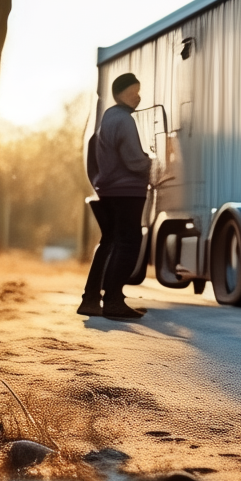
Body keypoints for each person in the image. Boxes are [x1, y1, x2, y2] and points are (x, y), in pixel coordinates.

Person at [79, 73, 152, 319]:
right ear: (120, 93)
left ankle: (90, 299)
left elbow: (91, 154)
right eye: (134, 92)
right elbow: (134, 160)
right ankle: (113, 300)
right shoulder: (124, 120)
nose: (138, 97)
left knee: (110, 241)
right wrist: (153, 162)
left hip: (109, 189)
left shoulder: (107, 119)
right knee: (129, 243)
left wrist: (100, 183)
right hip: (127, 191)